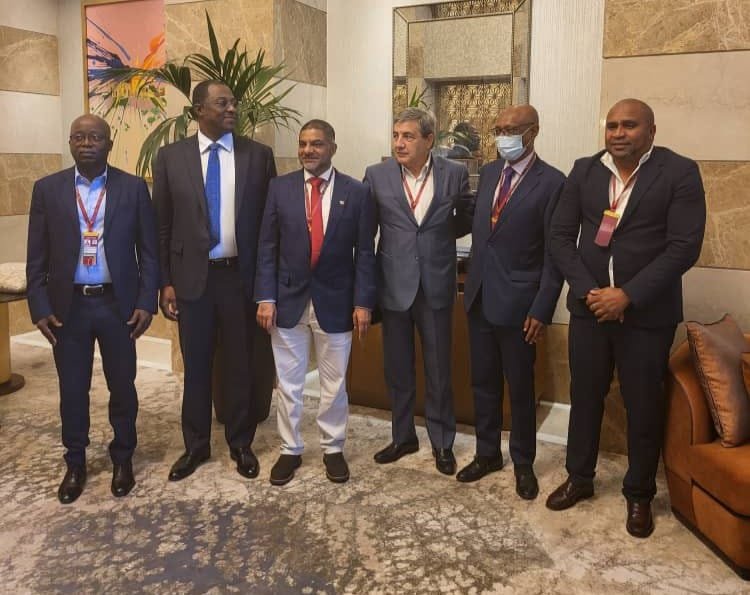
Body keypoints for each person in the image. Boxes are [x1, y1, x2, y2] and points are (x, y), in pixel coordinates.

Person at [547, 98, 706, 537]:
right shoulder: (585, 170)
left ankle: (639, 494)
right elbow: (559, 237)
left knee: (643, 405)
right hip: (590, 311)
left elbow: (684, 246)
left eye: (629, 125)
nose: (618, 133)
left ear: (651, 131)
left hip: (647, 314)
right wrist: (590, 292)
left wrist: (628, 295)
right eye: (613, 125)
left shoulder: (679, 172)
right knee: (585, 397)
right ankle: (579, 477)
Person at [26, 114, 159, 503]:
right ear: (70, 143)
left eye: (95, 137)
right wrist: (39, 306)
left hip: (118, 305)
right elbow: (36, 255)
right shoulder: (47, 189)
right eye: (79, 137)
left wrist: (146, 301)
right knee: (72, 389)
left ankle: (123, 457)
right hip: (67, 308)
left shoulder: (133, 188)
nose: (87, 143)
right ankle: (75, 462)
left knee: (123, 386)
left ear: (109, 143)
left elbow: (149, 252)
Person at [152, 80, 276, 482]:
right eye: (222, 103)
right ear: (198, 111)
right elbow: (161, 226)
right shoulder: (171, 158)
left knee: (240, 364)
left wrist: (266, 286)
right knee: (197, 366)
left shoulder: (258, 156)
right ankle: (196, 445)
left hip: (240, 278)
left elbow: (269, 227)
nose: (232, 109)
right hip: (192, 280)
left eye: (233, 103)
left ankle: (241, 443)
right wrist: (165, 282)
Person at [255, 120, 376, 485]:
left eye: (317, 144)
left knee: (334, 383)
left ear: (332, 148)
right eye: (303, 143)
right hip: (287, 300)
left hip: (337, 300)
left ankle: (333, 448)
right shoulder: (279, 188)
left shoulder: (357, 192)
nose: (308, 150)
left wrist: (363, 302)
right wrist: (266, 297)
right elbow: (267, 247)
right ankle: (290, 449)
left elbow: (365, 253)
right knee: (288, 382)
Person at [457, 105, 565, 499]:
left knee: (520, 389)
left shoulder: (552, 182)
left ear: (532, 132)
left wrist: (542, 308)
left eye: (511, 129)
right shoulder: (489, 174)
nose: (503, 136)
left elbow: (555, 254)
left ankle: (522, 463)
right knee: (483, 383)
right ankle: (487, 454)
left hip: (521, 306)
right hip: (480, 298)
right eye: (498, 129)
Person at [364, 108, 473, 475]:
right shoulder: (376, 175)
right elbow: (366, 232)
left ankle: (442, 443)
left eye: (408, 136)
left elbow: (463, 220)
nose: (399, 143)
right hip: (393, 285)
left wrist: (435, 242)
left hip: (436, 284)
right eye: (396, 135)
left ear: (429, 140)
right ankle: (403, 437)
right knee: (398, 369)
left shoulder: (455, 174)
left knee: (439, 370)